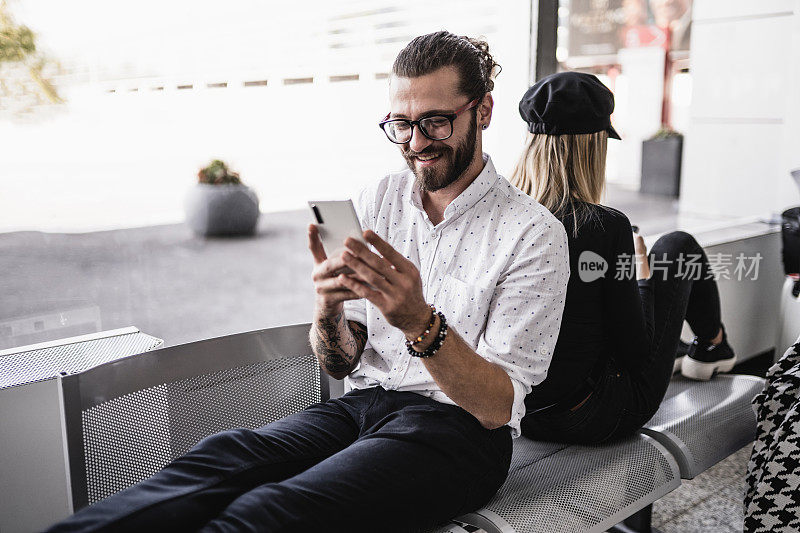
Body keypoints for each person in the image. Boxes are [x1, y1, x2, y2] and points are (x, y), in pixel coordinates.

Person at [46, 32, 569, 533]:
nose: (416, 142)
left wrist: (419, 322)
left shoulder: (533, 234)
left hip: (461, 435)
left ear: (483, 110)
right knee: (213, 467)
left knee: (271, 512)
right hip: (363, 405)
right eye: (400, 124)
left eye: (435, 122)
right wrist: (328, 307)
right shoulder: (378, 199)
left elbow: (497, 407)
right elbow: (342, 361)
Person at [509, 71, 735, 444]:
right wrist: (641, 274)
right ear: (593, 146)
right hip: (593, 416)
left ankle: (698, 348)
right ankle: (712, 346)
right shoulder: (603, 225)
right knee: (676, 246)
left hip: (518, 415)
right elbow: (636, 354)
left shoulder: (504, 215)